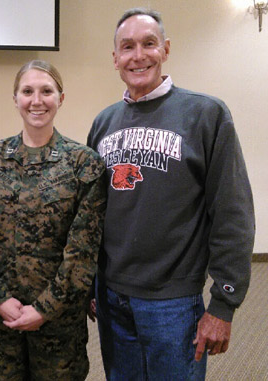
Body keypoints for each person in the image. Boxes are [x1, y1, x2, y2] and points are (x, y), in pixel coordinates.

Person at [87, 8, 256, 380]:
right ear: (115, 58)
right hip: (112, 298)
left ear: (165, 49)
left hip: (173, 303)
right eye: (127, 47)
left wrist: (223, 305)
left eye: (149, 44)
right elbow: (92, 214)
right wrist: (91, 283)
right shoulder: (103, 123)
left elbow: (233, 212)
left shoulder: (205, 114)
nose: (138, 55)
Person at [0, 60, 106, 380]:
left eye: (46, 91)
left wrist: (45, 308)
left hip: (59, 325)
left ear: (61, 98)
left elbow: (83, 250)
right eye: (27, 91)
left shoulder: (83, 164)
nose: (36, 100)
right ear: (15, 98)